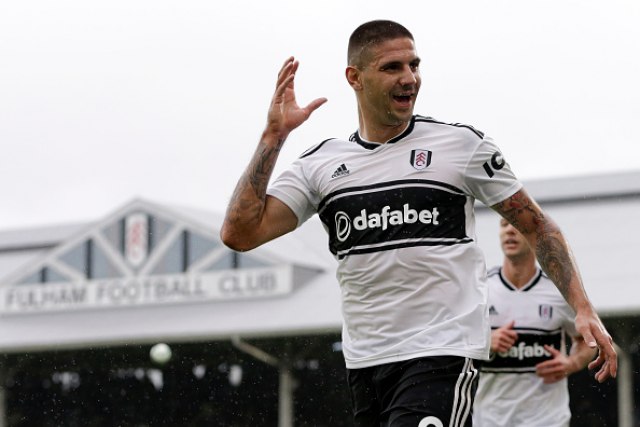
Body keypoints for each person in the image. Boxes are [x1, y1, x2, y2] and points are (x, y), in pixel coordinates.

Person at [220, 19, 617, 426]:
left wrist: (583, 308)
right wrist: (273, 136)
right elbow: (240, 233)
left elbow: (538, 226)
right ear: (355, 77)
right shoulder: (320, 165)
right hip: (366, 361)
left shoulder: (461, 146)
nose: (409, 78)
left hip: (443, 351)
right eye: (392, 67)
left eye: (414, 65)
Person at [473, 218, 598, 426]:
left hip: (547, 420)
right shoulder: (480, 289)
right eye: (504, 224)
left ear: (533, 234)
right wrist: (485, 342)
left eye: (517, 224)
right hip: (489, 420)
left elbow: (587, 340)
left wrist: (572, 363)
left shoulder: (559, 291)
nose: (509, 230)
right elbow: (452, 341)